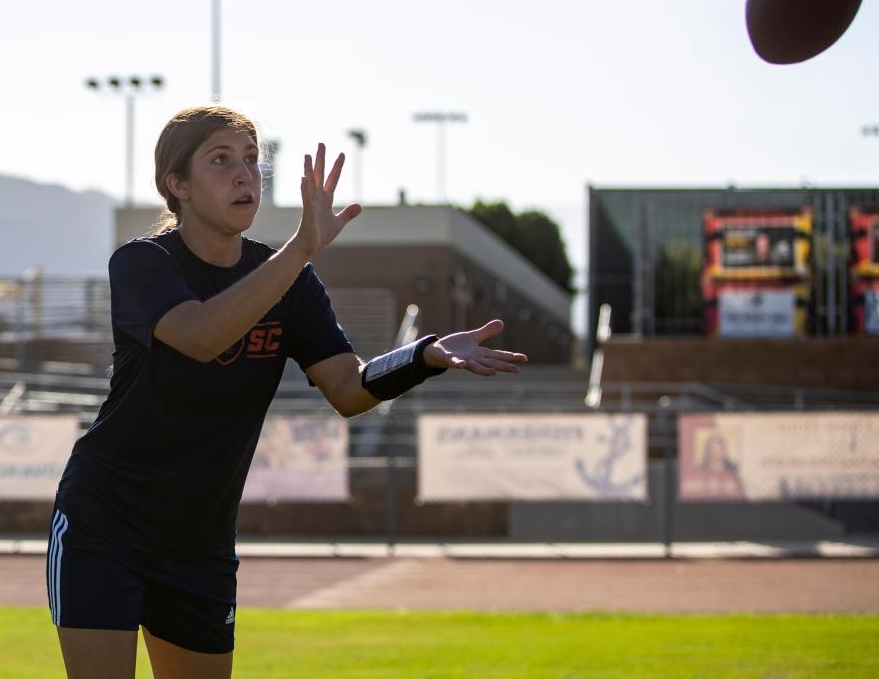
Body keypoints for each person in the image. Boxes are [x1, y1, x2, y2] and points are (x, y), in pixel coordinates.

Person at [46, 105, 528, 679]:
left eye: (251, 159)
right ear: (177, 185)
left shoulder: (289, 281)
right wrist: (300, 249)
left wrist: (421, 356)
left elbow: (349, 390)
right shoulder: (141, 263)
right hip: (106, 525)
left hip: (198, 544)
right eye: (221, 160)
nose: (245, 174)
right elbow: (199, 336)